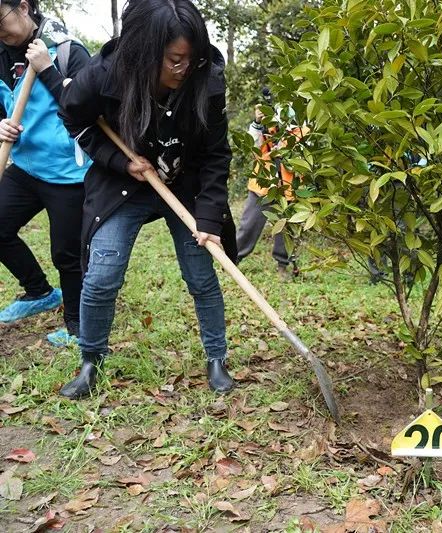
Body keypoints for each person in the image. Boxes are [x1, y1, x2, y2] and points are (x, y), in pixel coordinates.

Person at [57, 0, 237, 398]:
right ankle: (90, 361)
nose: (183, 68)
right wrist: (119, 160)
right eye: (174, 59)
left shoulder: (206, 79)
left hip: (184, 186)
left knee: (201, 275)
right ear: (144, 52)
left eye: (189, 58)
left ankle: (216, 358)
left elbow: (215, 155)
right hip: (123, 187)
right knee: (102, 276)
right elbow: (76, 121)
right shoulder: (102, 77)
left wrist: (208, 219)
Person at [0, 0, 91, 345]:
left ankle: (78, 328)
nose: (0, 33)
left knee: (66, 254)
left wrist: (48, 68)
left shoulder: (68, 50)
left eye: (1, 20)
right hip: (24, 166)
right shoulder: (0, 54)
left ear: (23, 7)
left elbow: (86, 107)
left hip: (68, 172)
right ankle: (38, 292)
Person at [235, 87, 297, 279]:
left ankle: (283, 267)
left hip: (286, 189)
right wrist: (257, 123)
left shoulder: (299, 131)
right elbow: (253, 147)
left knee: (284, 230)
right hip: (262, 187)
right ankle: (232, 260)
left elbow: (298, 159)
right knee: (249, 225)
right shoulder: (265, 128)